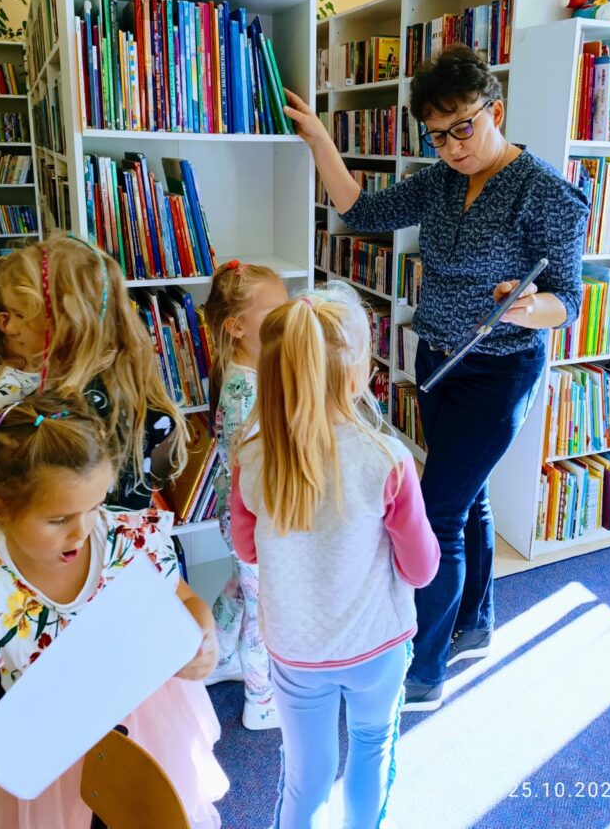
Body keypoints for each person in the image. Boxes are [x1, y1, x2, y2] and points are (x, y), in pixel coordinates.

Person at [284, 43, 589, 711]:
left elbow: (568, 300)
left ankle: (422, 672)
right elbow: (361, 212)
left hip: (499, 371)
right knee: (470, 497)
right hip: (437, 361)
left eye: (463, 128)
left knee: (439, 511)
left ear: (495, 111)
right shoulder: (443, 180)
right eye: (437, 135)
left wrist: (527, 305)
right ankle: (474, 623)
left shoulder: (545, 194)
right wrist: (318, 141)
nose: (452, 147)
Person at [0, 389, 227, 829]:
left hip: (148, 728)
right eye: (59, 519)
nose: (82, 531)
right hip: (53, 756)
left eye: (94, 507)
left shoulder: (126, 538)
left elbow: (184, 598)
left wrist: (203, 635)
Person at [231, 284, 439, 829]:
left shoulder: (249, 458)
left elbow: (247, 548)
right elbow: (422, 568)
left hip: (296, 650)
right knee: (372, 751)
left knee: (307, 773)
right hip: (377, 646)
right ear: (357, 376)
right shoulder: (386, 458)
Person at [0, 233, 187, 507]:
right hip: (127, 535)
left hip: (89, 540)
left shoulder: (73, 404)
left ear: (67, 322)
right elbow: (161, 450)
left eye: (20, 315)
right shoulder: (125, 378)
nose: (9, 327)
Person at [202, 259, 288, 730]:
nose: (286, 318)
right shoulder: (242, 389)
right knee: (263, 606)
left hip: (241, 516)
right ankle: (261, 697)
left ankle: (215, 658)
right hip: (250, 517)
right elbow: (245, 470)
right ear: (237, 327)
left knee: (242, 586)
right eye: (274, 312)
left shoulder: (250, 373)